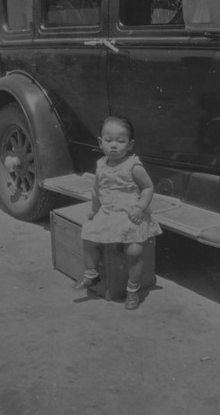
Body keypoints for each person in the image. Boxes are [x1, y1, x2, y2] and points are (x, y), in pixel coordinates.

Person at [75, 115, 162, 310]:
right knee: (89, 238)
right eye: (109, 140)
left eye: (120, 141)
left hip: (131, 214)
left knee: (134, 251)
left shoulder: (133, 166)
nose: (114, 145)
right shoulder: (100, 165)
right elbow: (97, 190)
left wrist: (140, 208)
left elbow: (148, 187)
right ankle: (92, 274)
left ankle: (133, 289)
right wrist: (94, 210)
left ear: (130, 145)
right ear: (100, 142)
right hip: (108, 213)